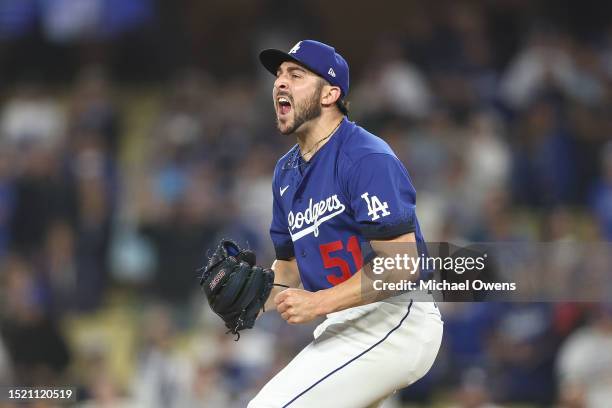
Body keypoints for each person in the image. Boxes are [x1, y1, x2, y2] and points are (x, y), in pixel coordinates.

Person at [249, 40, 443, 408]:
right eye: (278, 76)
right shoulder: (285, 173)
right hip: (344, 326)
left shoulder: (365, 156)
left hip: (395, 317)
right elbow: (288, 268)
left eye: (296, 74)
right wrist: (254, 301)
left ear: (330, 93)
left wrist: (318, 301)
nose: (280, 83)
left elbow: (402, 264)